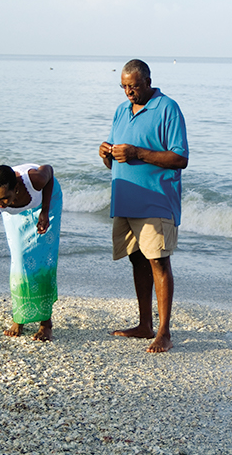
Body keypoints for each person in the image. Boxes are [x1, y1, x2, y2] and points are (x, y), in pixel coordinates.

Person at [98, 59, 189, 353]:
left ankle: (164, 332)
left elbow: (180, 158)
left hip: (156, 200)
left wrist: (137, 152)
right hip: (126, 200)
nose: (128, 92)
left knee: (158, 261)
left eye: (133, 86)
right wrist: (106, 153)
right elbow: (116, 152)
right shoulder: (121, 111)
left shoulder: (168, 108)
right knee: (136, 259)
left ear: (148, 81)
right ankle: (144, 324)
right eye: (124, 86)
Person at [0, 164, 62, 341]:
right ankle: (20, 317)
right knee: (19, 258)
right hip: (16, 208)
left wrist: (44, 211)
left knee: (43, 259)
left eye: (3, 198)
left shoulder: (35, 179)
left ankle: (46, 323)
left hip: (47, 199)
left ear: (15, 188)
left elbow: (50, 170)